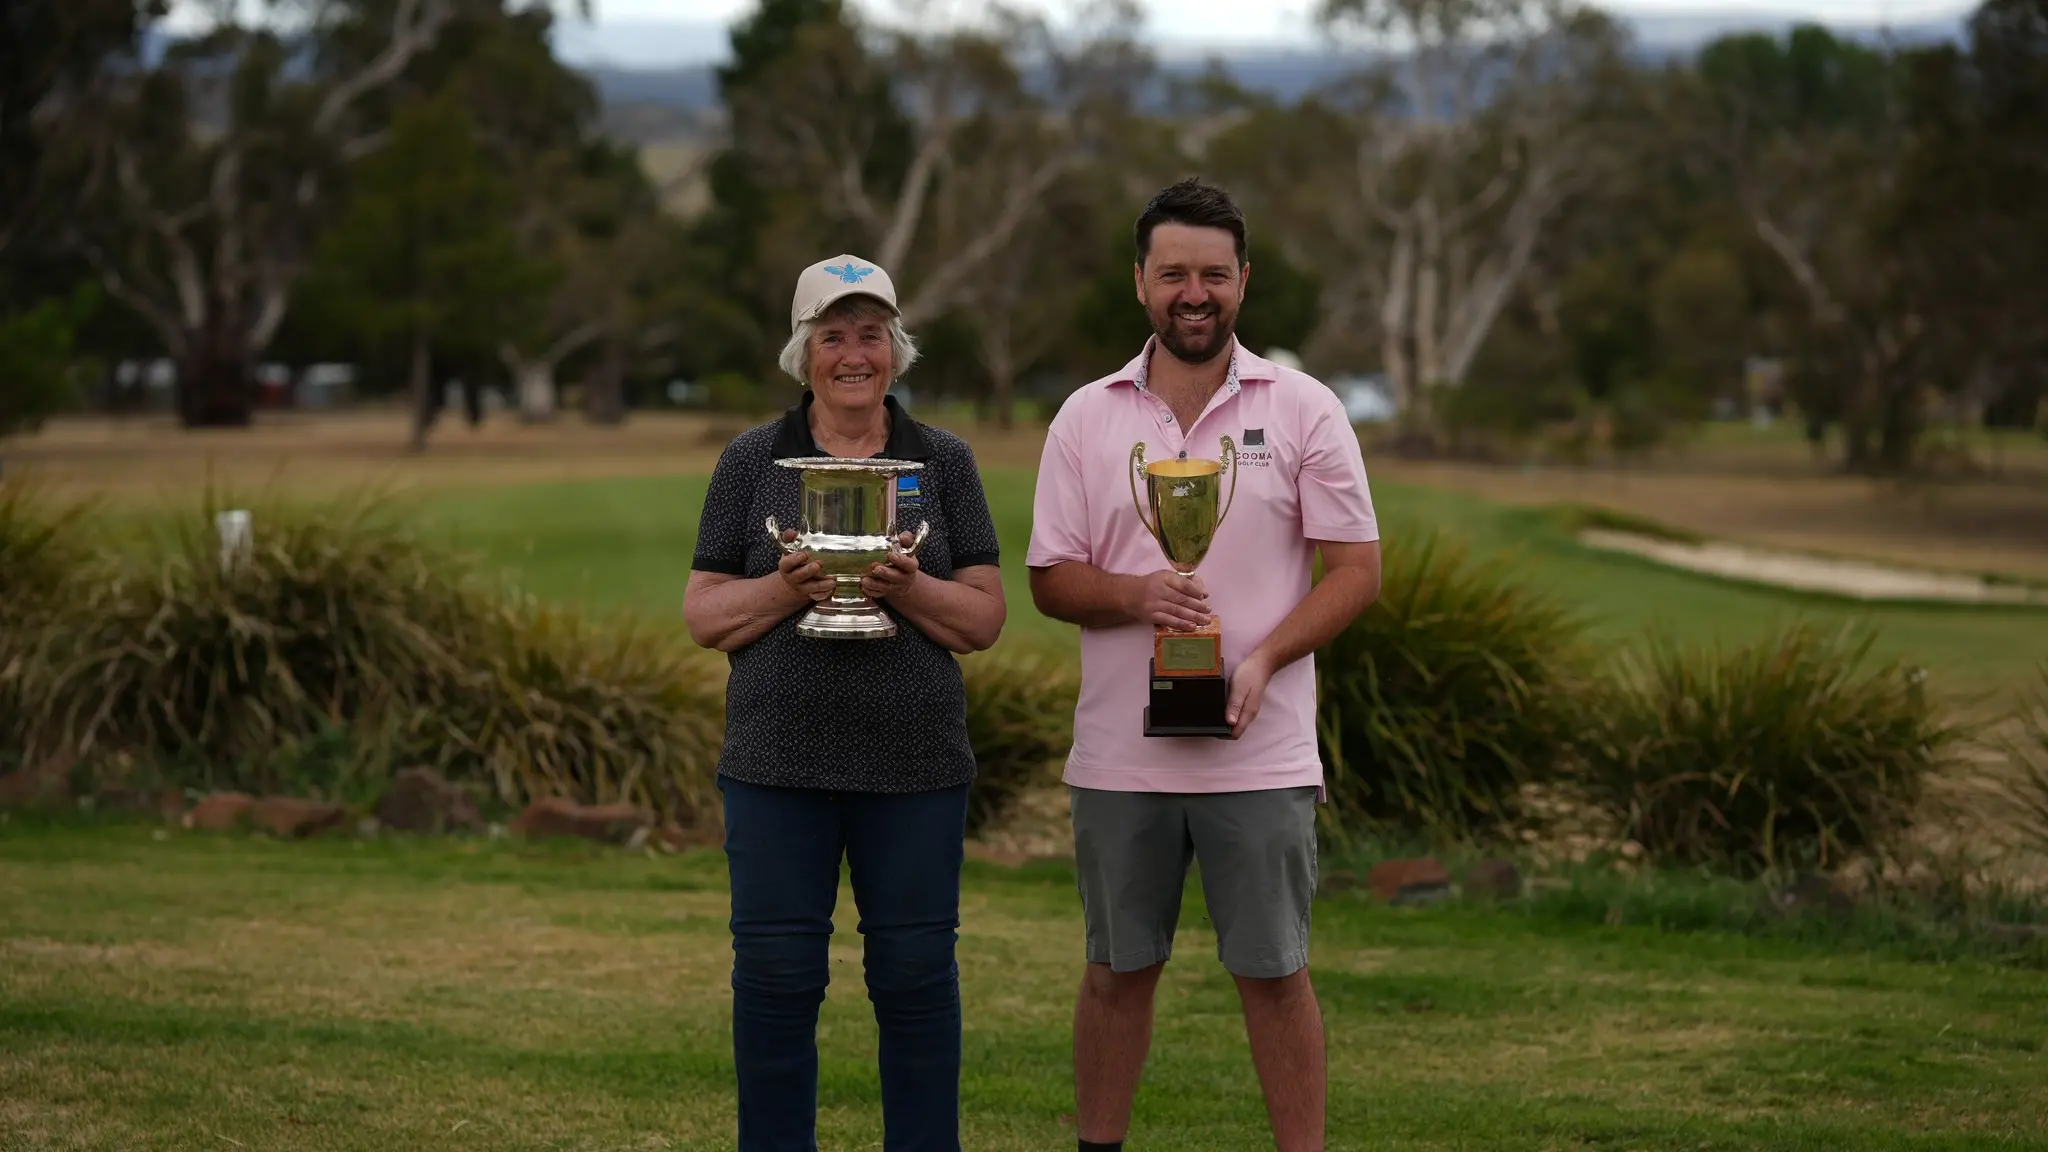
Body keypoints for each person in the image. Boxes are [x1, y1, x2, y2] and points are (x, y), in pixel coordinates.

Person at [1025, 178, 1383, 1152]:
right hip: (1117, 757)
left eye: (1213, 275)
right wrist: (1140, 596)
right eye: (1173, 273)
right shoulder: (1083, 419)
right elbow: (1050, 582)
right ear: (1139, 282)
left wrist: (1265, 656)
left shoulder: (1304, 409)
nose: (1195, 292)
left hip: (1257, 752)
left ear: (1242, 282)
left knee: (1272, 974)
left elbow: (1355, 572)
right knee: (1114, 973)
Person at [683, 254, 1007, 1152]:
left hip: (915, 768)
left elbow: (983, 618)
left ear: (896, 349)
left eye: (871, 334)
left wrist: (903, 589)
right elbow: (705, 615)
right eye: (834, 336)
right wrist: (787, 593)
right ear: (804, 352)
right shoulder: (752, 459)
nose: (853, 354)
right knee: (778, 981)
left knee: (913, 980)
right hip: (776, 766)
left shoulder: (944, 460)